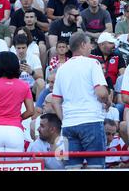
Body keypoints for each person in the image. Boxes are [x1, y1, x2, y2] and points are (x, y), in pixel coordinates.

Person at [52, 32, 109, 169]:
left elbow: (55, 102)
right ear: (83, 45)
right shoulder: (92, 63)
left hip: (68, 125)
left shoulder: (61, 68)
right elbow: (101, 93)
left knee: (71, 168)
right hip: (91, 121)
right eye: (89, 43)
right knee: (95, 167)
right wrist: (107, 101)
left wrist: (65, 119)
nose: (91, 47)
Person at [0, 52, 34, 157]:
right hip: (15, 130)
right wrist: (18, 118)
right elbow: (30, 111)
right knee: (13, 167)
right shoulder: (24, 85)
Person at [13, 34, 46, 99]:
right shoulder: (11, 58)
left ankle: (38, 107)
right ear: (14, 47)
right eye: (18, 48)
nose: (21, 51)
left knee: (41, 82)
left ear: (27, 47)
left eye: (23, 48)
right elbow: (8, 79)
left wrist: (31, 72)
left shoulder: (34, 58)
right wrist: (18, 72)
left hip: (31, 88)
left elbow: (41, 77)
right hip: (16, 88)